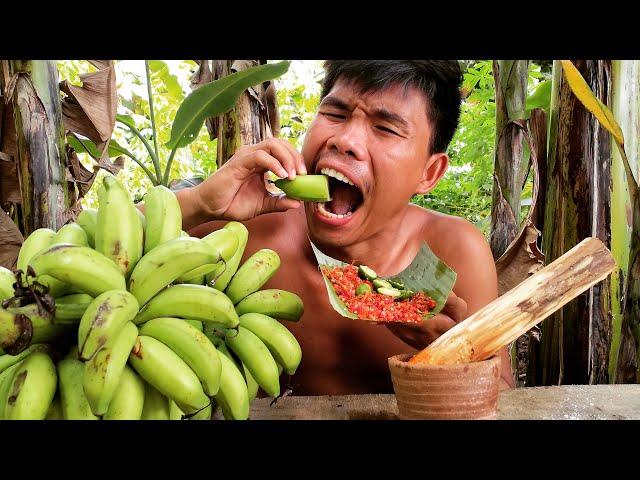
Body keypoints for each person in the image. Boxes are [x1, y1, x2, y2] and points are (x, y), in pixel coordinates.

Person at [176, 60, 515, 395]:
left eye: (386, 128)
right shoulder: (249, 230)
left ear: (429, 173)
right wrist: (198, 204)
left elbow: (505, 394)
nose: (346, 139)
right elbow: (124, 250)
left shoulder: (455, 252)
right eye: (335, 114)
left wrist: (455, 357)